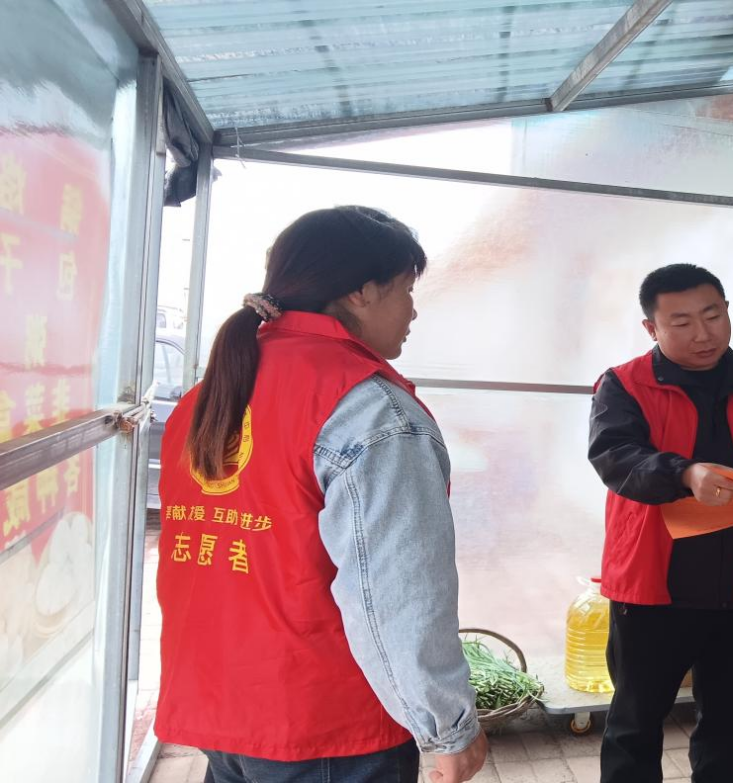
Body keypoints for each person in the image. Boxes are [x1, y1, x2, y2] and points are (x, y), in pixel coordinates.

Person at [155, 206, 488, 783]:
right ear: (362, 292)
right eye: (406, 290)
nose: (413, 311)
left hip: (221, 706)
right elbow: (396, 593)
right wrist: (447, 726)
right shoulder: (368, 409)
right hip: (326, 728)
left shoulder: (208, 394)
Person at [588, 263, 733, 783]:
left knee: (731, 724)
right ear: (652, 328)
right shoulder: (624, 384)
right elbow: (615, 457)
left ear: (727, 310)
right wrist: (685, 474)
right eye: (681, 322)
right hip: (654, 588)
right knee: (635, 724)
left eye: (712, 315)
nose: (703, 333)